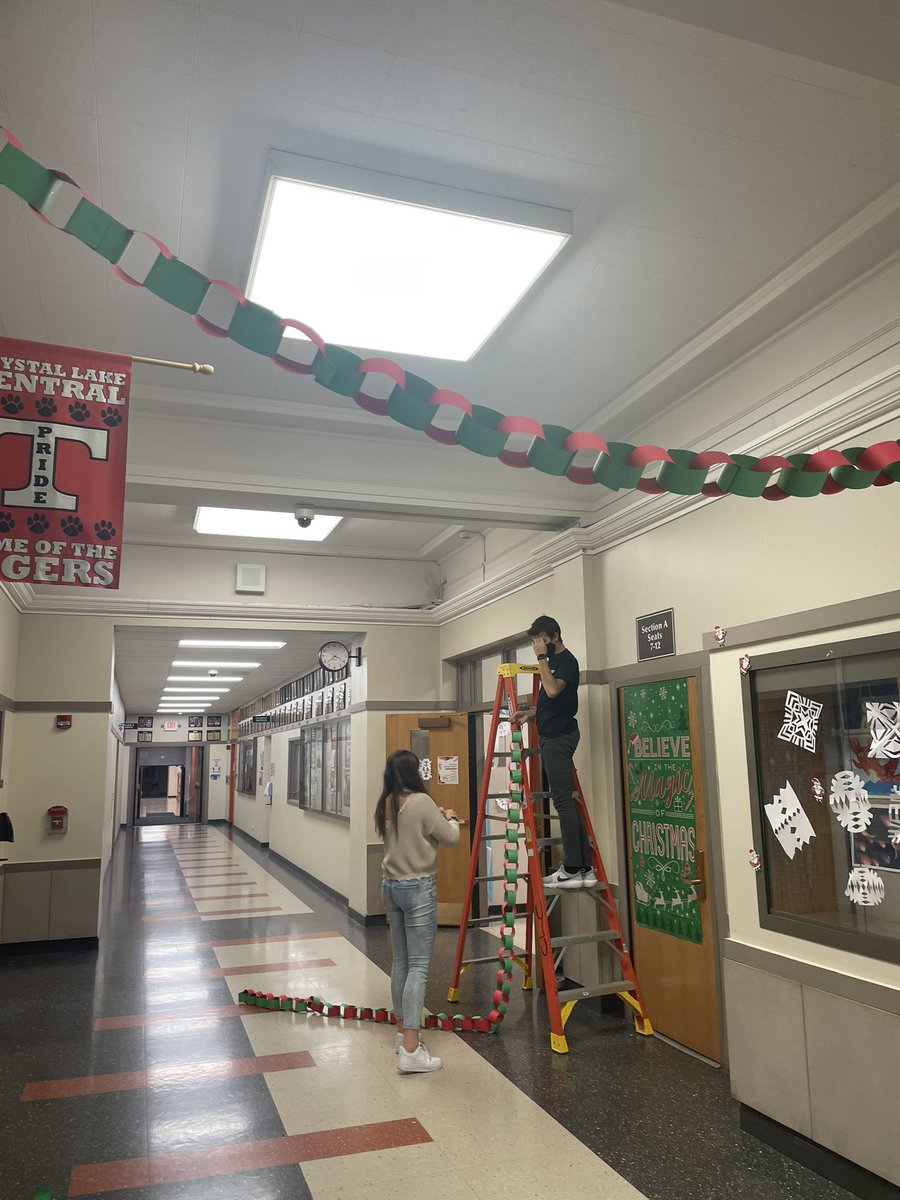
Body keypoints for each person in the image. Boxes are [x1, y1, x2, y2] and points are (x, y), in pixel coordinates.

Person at [375, 749, 460, 1073]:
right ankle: (411, 1049)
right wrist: (450, 817)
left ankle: (402, 1035)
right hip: (418, 889)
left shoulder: (386, 802)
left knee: (401, 962)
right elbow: (451, 839)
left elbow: (409, 831)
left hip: (390, 887)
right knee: (419, 967)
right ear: (414, 773)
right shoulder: (422, 802)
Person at [515, 615, 596, 890]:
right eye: (534, 642)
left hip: (559, 738)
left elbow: (551, 690)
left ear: (555, 636)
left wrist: (541, 658)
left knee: (561, 801)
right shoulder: (554, 662)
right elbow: (554, 703)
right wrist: (531, 714)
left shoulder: (566, 661)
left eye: (541, 641)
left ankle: (571, 867)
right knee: (566, 802)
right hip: (554, 734)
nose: (538, 646)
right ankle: (584, 868)